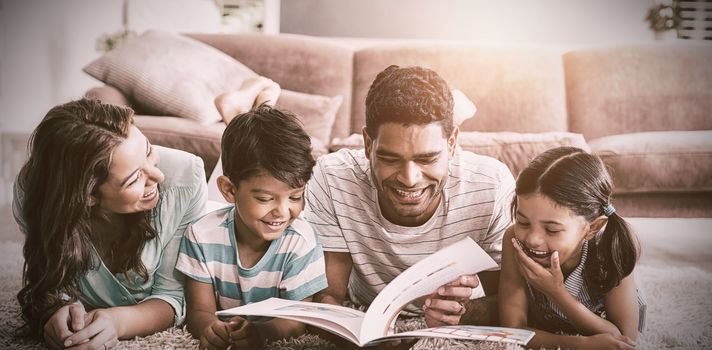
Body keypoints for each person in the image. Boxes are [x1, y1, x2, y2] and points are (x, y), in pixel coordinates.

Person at [304, 65, 515, 334]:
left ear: (452, 143)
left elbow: (512, 300)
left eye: (427, 158)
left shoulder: (492, 184)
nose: (409, 179)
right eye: (390, 159)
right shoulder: (333, 176)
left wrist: (466, 312)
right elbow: (329, 294)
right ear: (368, 143)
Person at [13, 99, 208, 349]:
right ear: (88, 196)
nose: (157, 176)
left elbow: (173, 296)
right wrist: (54, 311)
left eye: (148, 150)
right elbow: (50, 279)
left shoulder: (185, 176)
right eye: (134, 178)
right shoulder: (35, 197)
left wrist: (118, 322)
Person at [176, 105, 328, 350]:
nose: (282, 211)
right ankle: (241, 106)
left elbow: (297, 320)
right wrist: (209, 328)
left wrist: (261, 332)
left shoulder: (301, 241)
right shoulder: (201, 235)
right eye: (266, 199)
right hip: (217, 212)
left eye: (295, 196)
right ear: (229, 190)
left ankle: (251, 102)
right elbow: (199, 311)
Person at [499, 146, 646, 349]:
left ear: (592, 228)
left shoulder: (610, 248)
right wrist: (578, 344)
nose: (532, 239)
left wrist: (556, 292)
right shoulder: (514, 241)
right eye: (523, 222)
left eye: (551, 230)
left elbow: (623, 339)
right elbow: (511, 330)